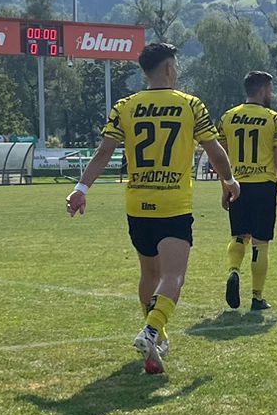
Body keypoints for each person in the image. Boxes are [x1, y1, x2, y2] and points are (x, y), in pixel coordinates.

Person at [68, 42, 236, 374]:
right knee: (174, 276)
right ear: (169, 68)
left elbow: (104, 152)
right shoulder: (190, 104)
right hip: (173, 203)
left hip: (138, 205)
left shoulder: (125, 106)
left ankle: (157, 340)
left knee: (149, 274)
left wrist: (81, 188)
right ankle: (151, 331)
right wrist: (230, 181)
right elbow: (214, 150)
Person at [219, 69, 277, 313]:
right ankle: (257, 297)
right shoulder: (274, 119)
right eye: (270, 89)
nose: (272, 94)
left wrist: (225, 187)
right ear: (262, 90)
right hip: (264, 186)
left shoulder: (228, 117)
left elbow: (221, 157)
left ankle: (233, 270)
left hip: (237, 184)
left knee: (239, 236)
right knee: (260, 242)